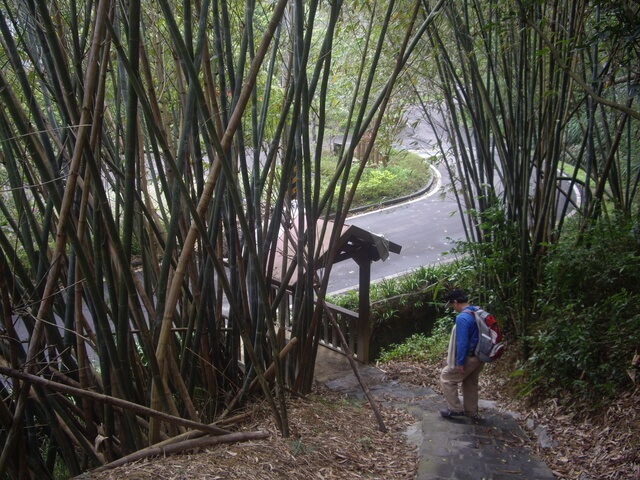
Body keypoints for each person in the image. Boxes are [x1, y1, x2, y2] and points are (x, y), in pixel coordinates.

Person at [439, 289, 483, 419]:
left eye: (452, 305)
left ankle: (455, 409)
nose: (453, 308)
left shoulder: (462, 318)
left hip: (470, 357)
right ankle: (471, 412)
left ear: (456, 302)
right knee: (470, 382)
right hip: (480, 356)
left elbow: (462, 343)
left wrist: (460, 363)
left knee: (446, 377)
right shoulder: (477, 310)